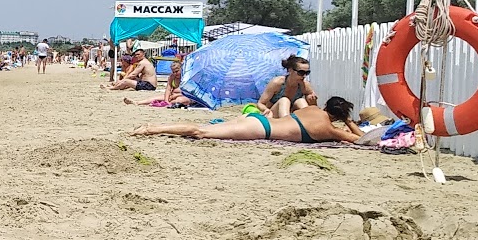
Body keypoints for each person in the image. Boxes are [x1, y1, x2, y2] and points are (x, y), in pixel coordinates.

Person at [133, 96, 363, 144]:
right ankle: (151, 129)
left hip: (254, 119)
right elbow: (362, 141)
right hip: (258, 129)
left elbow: (298, 103)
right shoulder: (328, 129)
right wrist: (350, 122)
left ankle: (151, 128)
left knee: (203, 129)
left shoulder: (312, 110)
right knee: (200, 132)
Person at [124, 60, 194, 107]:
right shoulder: (172, 77)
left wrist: (176, 95)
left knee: (180, 100)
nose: (175, 73)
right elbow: (168, 89)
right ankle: (138, 102)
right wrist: (166, 99)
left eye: (177, 71)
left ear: (181, 69)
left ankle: (167, 103)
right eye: (173, 72)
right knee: (155, 98)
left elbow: (190, 92)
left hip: (184, 96)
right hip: (172, 96)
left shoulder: (186, 77)